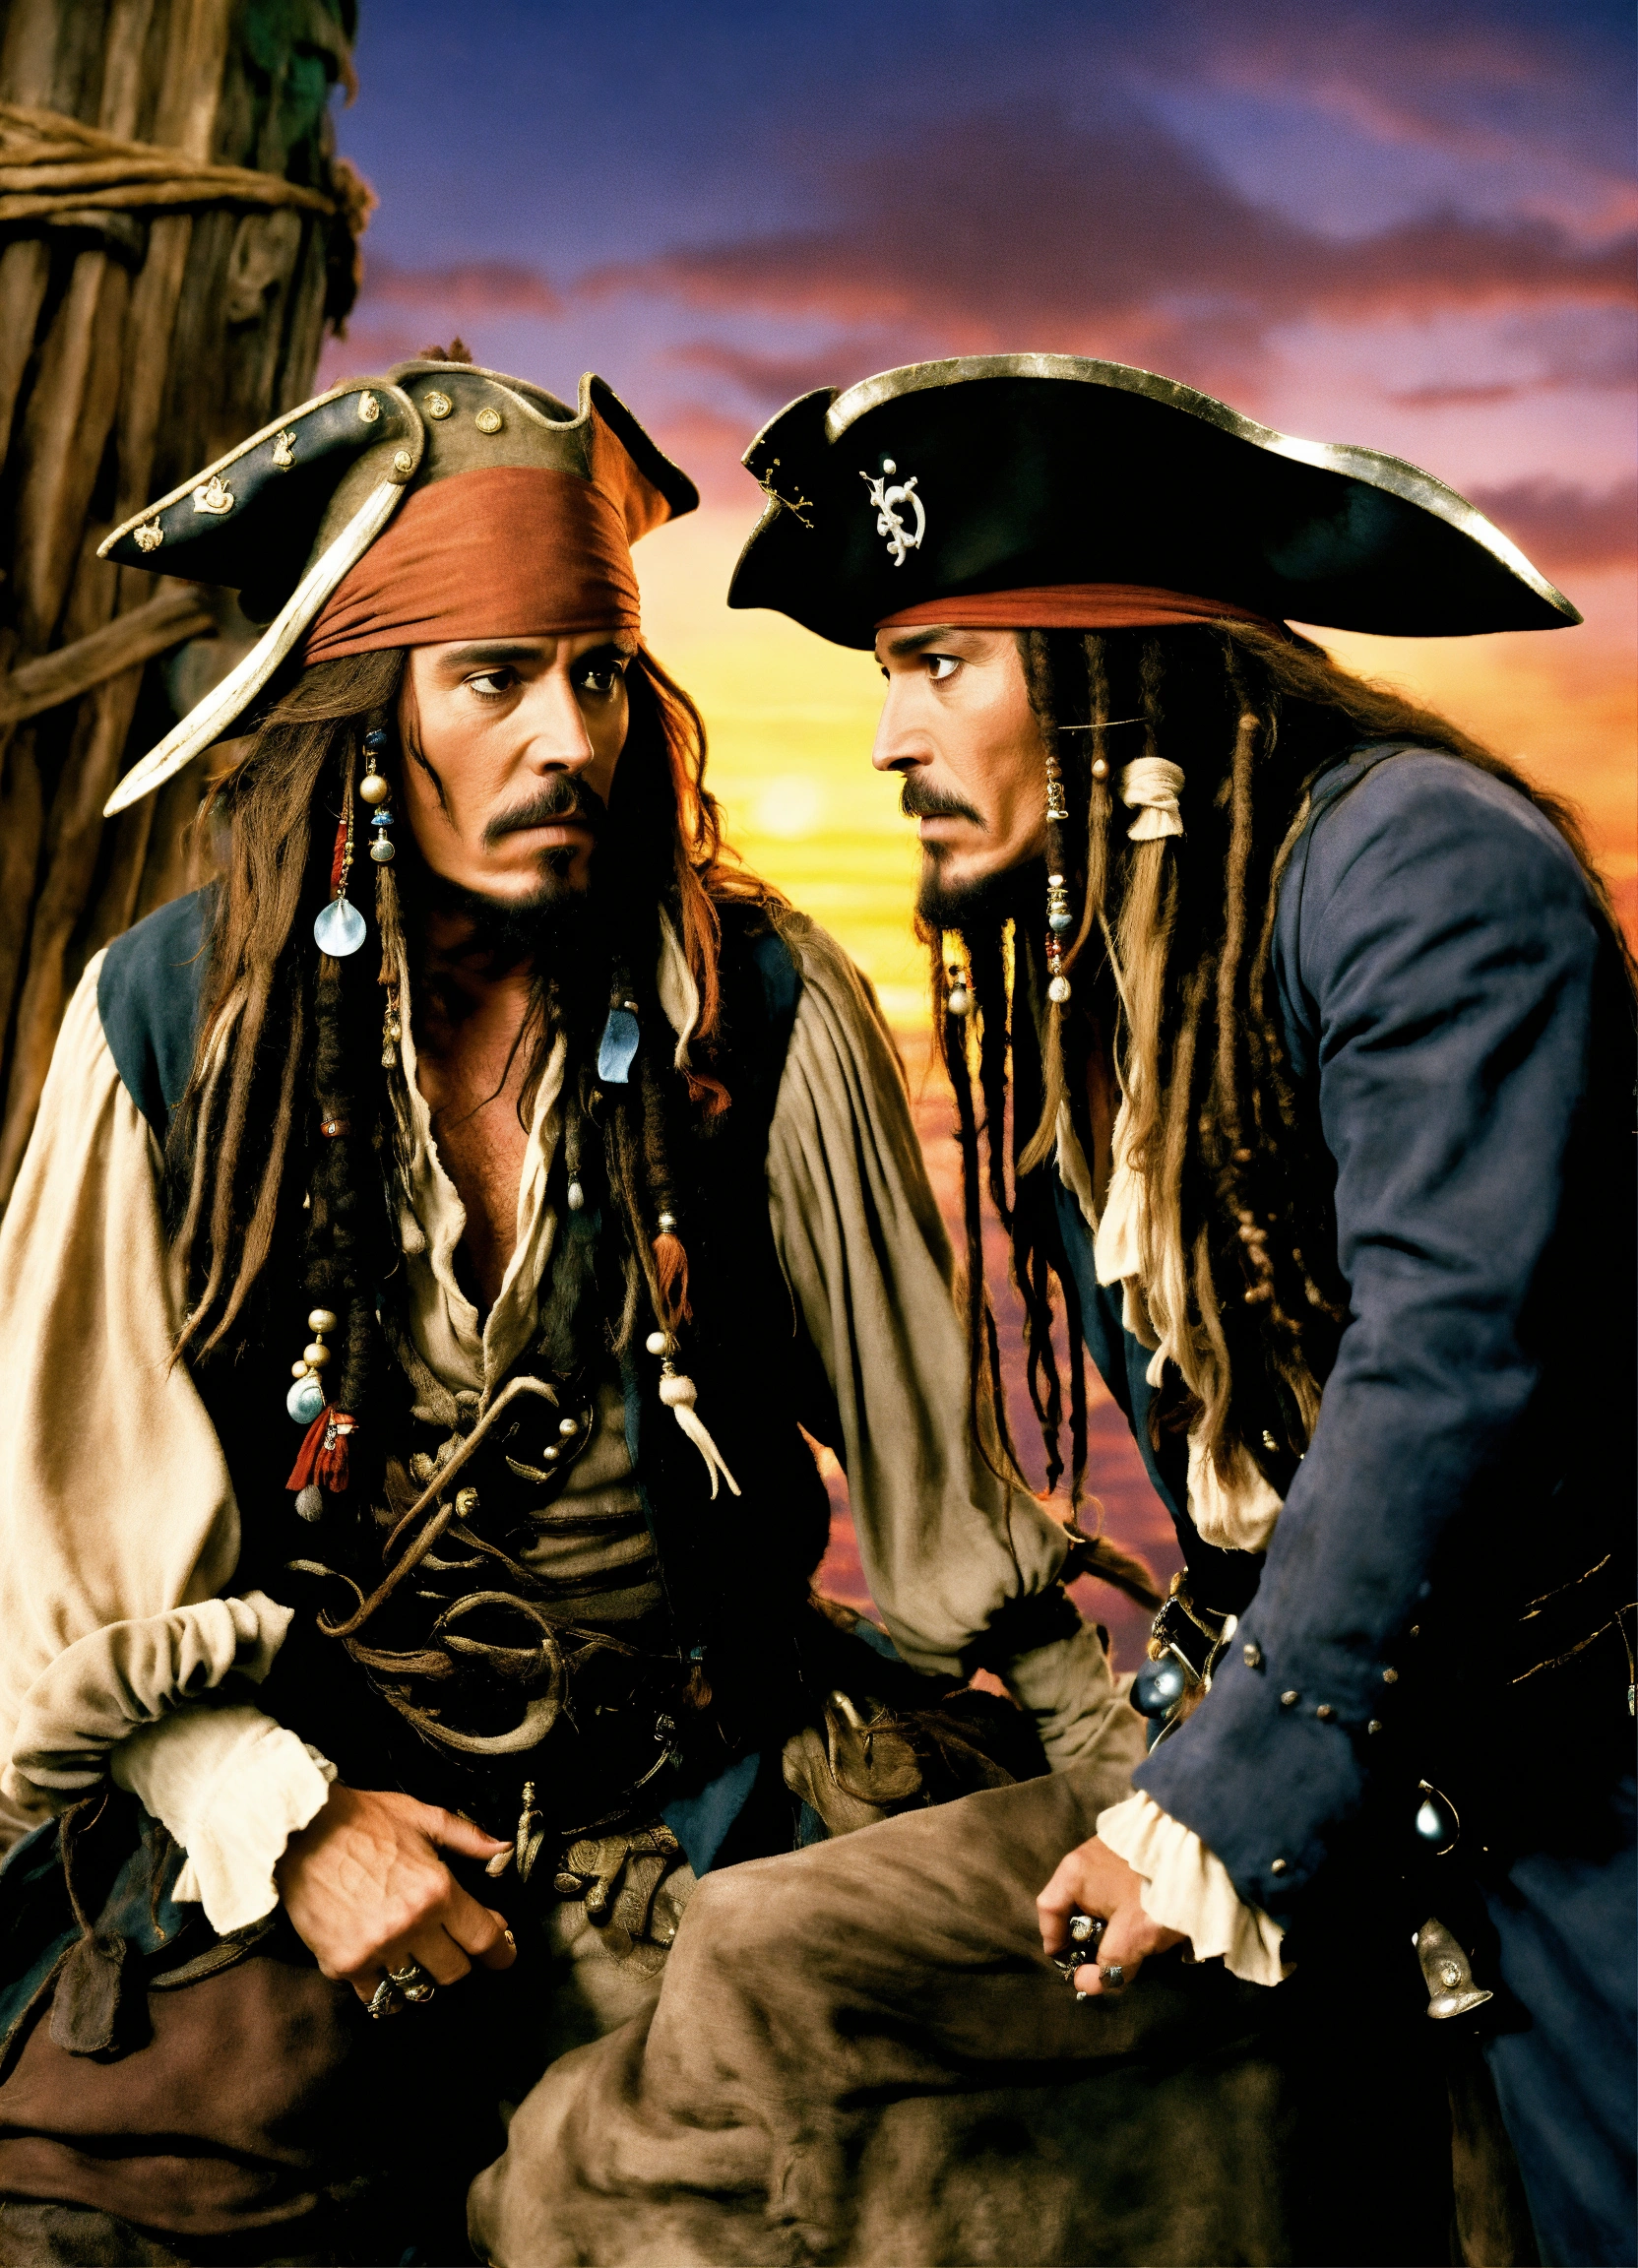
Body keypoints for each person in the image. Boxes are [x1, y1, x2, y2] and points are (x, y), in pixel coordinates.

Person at [473, 354, 1634, 2268]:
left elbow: (1445, 1371)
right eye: (888, 675)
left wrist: (1217, 1807)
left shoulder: (1418, 870)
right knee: (767, 1972)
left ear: (1111, 674)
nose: (891, 740)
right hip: (1298, 1788)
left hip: (1566, 1800)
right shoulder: (1104, 981)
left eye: (942, 666)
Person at [0, 351, 1144, 2265]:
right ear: (370, 710)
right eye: (494, 679)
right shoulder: (168, 1028)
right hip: (299, 1835)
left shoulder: (754, 1009)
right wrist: (285, 1819)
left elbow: (946, 1507)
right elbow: (60, 1569)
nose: (570, 740)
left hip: (708, 1818)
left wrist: (1150, 1806)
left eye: (598, 676)